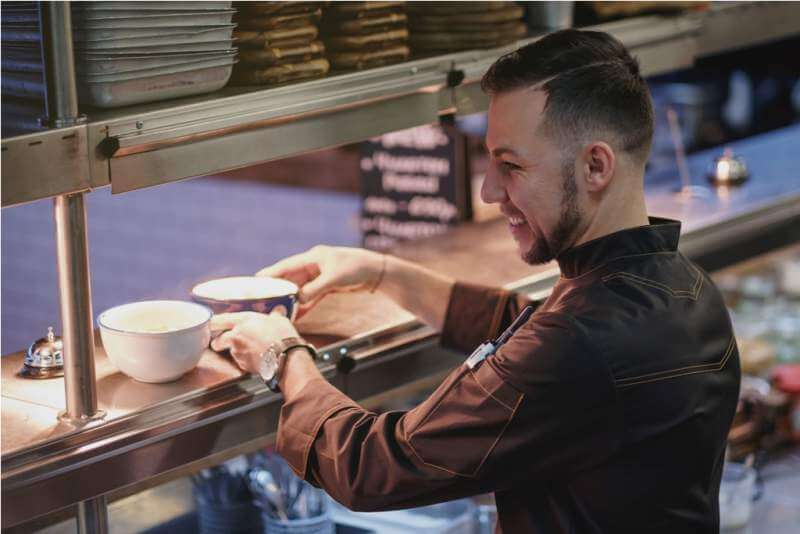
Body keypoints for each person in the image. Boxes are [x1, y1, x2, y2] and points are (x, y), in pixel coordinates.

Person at [211, 29, 740, 533]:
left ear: (595, 166)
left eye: (510, 166)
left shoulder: (580, 342)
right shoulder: (685, 287)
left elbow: (374, 465)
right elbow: (527, 331)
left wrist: (282, 356)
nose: (489, 191)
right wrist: (381, 272)